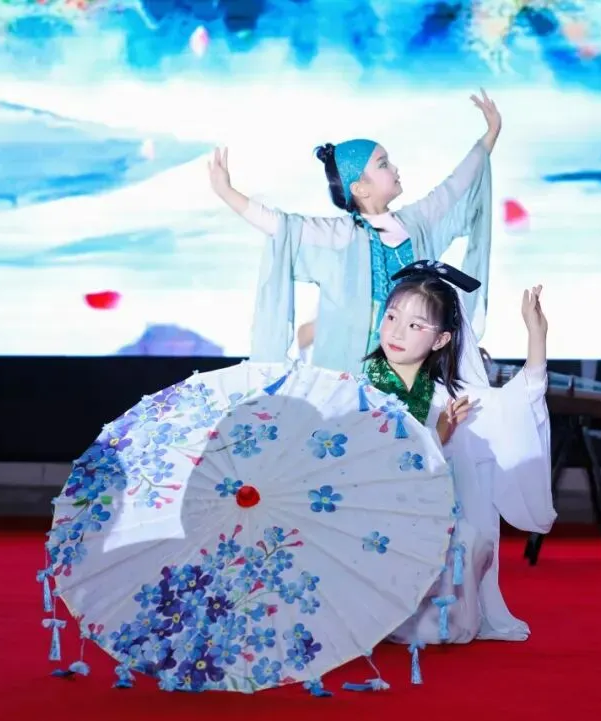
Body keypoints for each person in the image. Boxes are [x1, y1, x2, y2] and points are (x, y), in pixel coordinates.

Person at [208, 91, 503, 374]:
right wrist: (226, 191)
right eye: (383, 164)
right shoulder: (338, 235)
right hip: (352, 372)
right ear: (360, 188)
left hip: (413, 369)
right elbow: (279, 224)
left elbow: (456, 185)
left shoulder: (416, 222)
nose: (395, 168)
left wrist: (489, 136)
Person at [358, 260, 554, 675]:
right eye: (391, 317)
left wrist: (536, 335)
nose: (396, 332)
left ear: (442, 339)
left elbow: (518, 403)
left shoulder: (450, 395)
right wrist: (438, 435)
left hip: (429, 522)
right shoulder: (360, 389)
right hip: (370, 519)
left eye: (415, 325)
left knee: (466, 545)